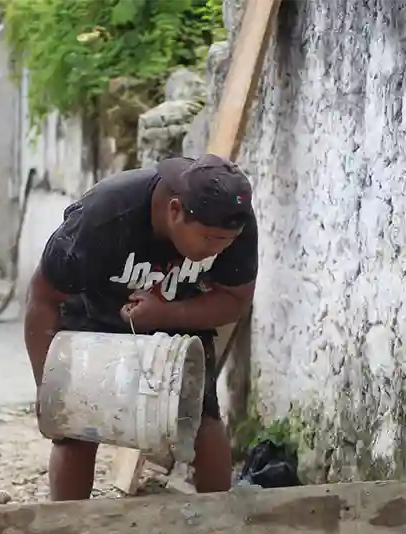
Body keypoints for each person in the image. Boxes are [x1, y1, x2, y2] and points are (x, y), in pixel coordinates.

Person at [24, 154, 258, 501]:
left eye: (227, 241)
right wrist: (48, 387)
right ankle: (68, 528)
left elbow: (235, 300)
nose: (219, 250)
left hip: (175, 313)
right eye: (210, 239)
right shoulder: (105, 215)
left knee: (202, 418)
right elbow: (42, 297)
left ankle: (219, 525)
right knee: (74, 429)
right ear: (175, 210)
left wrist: (167, 314)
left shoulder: (232, 217)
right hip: (94, 314)